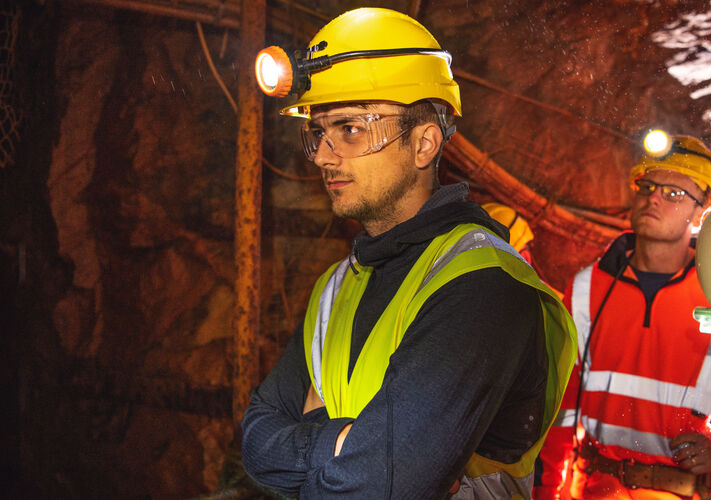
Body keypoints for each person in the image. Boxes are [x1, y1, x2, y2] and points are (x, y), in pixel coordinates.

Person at [239, 8, 577, 499]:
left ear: (423, 143)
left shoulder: (485, 287)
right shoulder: (337, 286)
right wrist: (339, 444)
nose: (324, 155)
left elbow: (376, 485)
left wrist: (315, 437)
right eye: (318, 132)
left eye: (351, 129)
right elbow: (255, 440)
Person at [535, 135, 711, 500]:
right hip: (596, 489)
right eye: (648, 187)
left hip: (683, 492)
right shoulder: (588, 287)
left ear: (702, 212)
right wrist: (546, 493)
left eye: (673, 194)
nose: (654, 197)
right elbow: (562, 406)